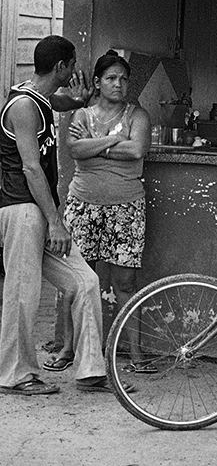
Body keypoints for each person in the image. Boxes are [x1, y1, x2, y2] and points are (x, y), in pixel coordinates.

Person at [0, 35, 128, 395]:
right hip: (22, 209)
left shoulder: (37, 96)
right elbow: (30, 168)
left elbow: (55, 101)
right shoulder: (23, 107)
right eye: (72, 66)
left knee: (84, 282)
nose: (74, 72)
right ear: (61, 67)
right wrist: (55, 221)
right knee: (22, 292)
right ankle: (14, 375)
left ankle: (90, 371)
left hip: (38, 210)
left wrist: (78, 100)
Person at [44, 51, 153, 374]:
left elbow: (137, 149)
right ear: (97, 82)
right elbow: (74, 149)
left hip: (126, 207)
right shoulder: (82, 115)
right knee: (77, 279)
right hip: (83, 205)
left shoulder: (138, 115)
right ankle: (69, 347)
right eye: (111, 78)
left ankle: (135, 352)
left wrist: (97, 145)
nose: (118, 84)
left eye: (123, 79)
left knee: (125, 282)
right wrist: (114, 140)